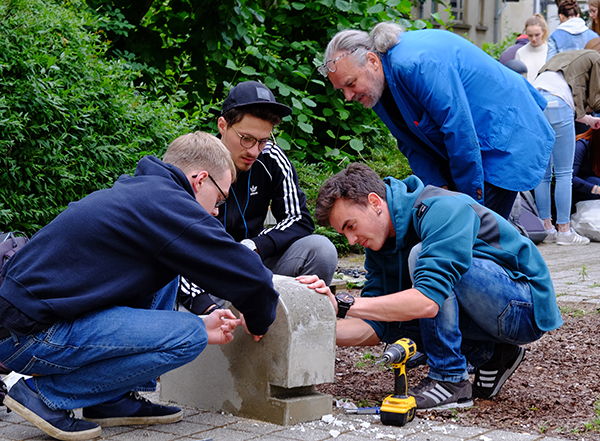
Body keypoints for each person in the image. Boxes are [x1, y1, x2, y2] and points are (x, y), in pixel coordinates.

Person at [0, 131, 279, 440]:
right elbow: (252, 278)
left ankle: (110, 399)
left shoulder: (146, 194)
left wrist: (203, 317)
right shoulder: (166, 204)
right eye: (220, 199)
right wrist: (259, 320)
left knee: (169, 265)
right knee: (189, 337)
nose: (216, 211)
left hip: (27, 322)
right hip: (28, 335)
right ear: (200, 180)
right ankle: (44, 396)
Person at [298, 163, 563, 411]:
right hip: (490, 314)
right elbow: (374, 325)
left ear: (374, 202)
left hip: (523, 309)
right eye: (344, 233)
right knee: (391, 312)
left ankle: (449, 380)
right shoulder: (379, 246)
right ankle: (493, 354)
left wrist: (346, 304)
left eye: (351, 226)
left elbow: (427, 301)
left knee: (421, 261)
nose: (352, 240)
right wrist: (300, 332)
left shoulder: (440, 209)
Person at [318, 24, 555, 220]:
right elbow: (410, 144)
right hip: (477, 144)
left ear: (371, 60)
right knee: (465, 232)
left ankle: (522, 275)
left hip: (507, 133)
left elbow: (459, 133)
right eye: (342, 90)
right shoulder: (374, 87)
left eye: (350, 84)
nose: (348, 97)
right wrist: (438, 189)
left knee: (479, 233)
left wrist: (469, 202)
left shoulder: (414, 64)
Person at [180, 81, 338, 315]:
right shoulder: (193, 163)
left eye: (262, 140)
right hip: (207, 273)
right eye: (246, 138)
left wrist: (255, 246)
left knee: (321, 249)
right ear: (222, 125)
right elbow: (171, 243)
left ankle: (289, 330)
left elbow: (299, 218)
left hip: (255, 265)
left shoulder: (271, 157)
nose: (254, 151)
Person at [532, 39, 600, 245]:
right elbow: (595, 100)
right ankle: (564, 231)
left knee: (543, 174)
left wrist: (588, 120)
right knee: (563, 173)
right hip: (559, 107)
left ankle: (547, 228)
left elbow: (561, 97)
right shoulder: (596, 58)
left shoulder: (563, 58)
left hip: (537, 104)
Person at [515, 14, 549, 84]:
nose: (534, 39)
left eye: (537, 35)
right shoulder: (520, 52)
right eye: (530, 35)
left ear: (543, 32)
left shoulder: (550, 51)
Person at [573, 128, 600, 203]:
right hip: (577, 189)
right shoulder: (580, 145)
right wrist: (596, 189)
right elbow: (569, 177)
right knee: (596, 182)